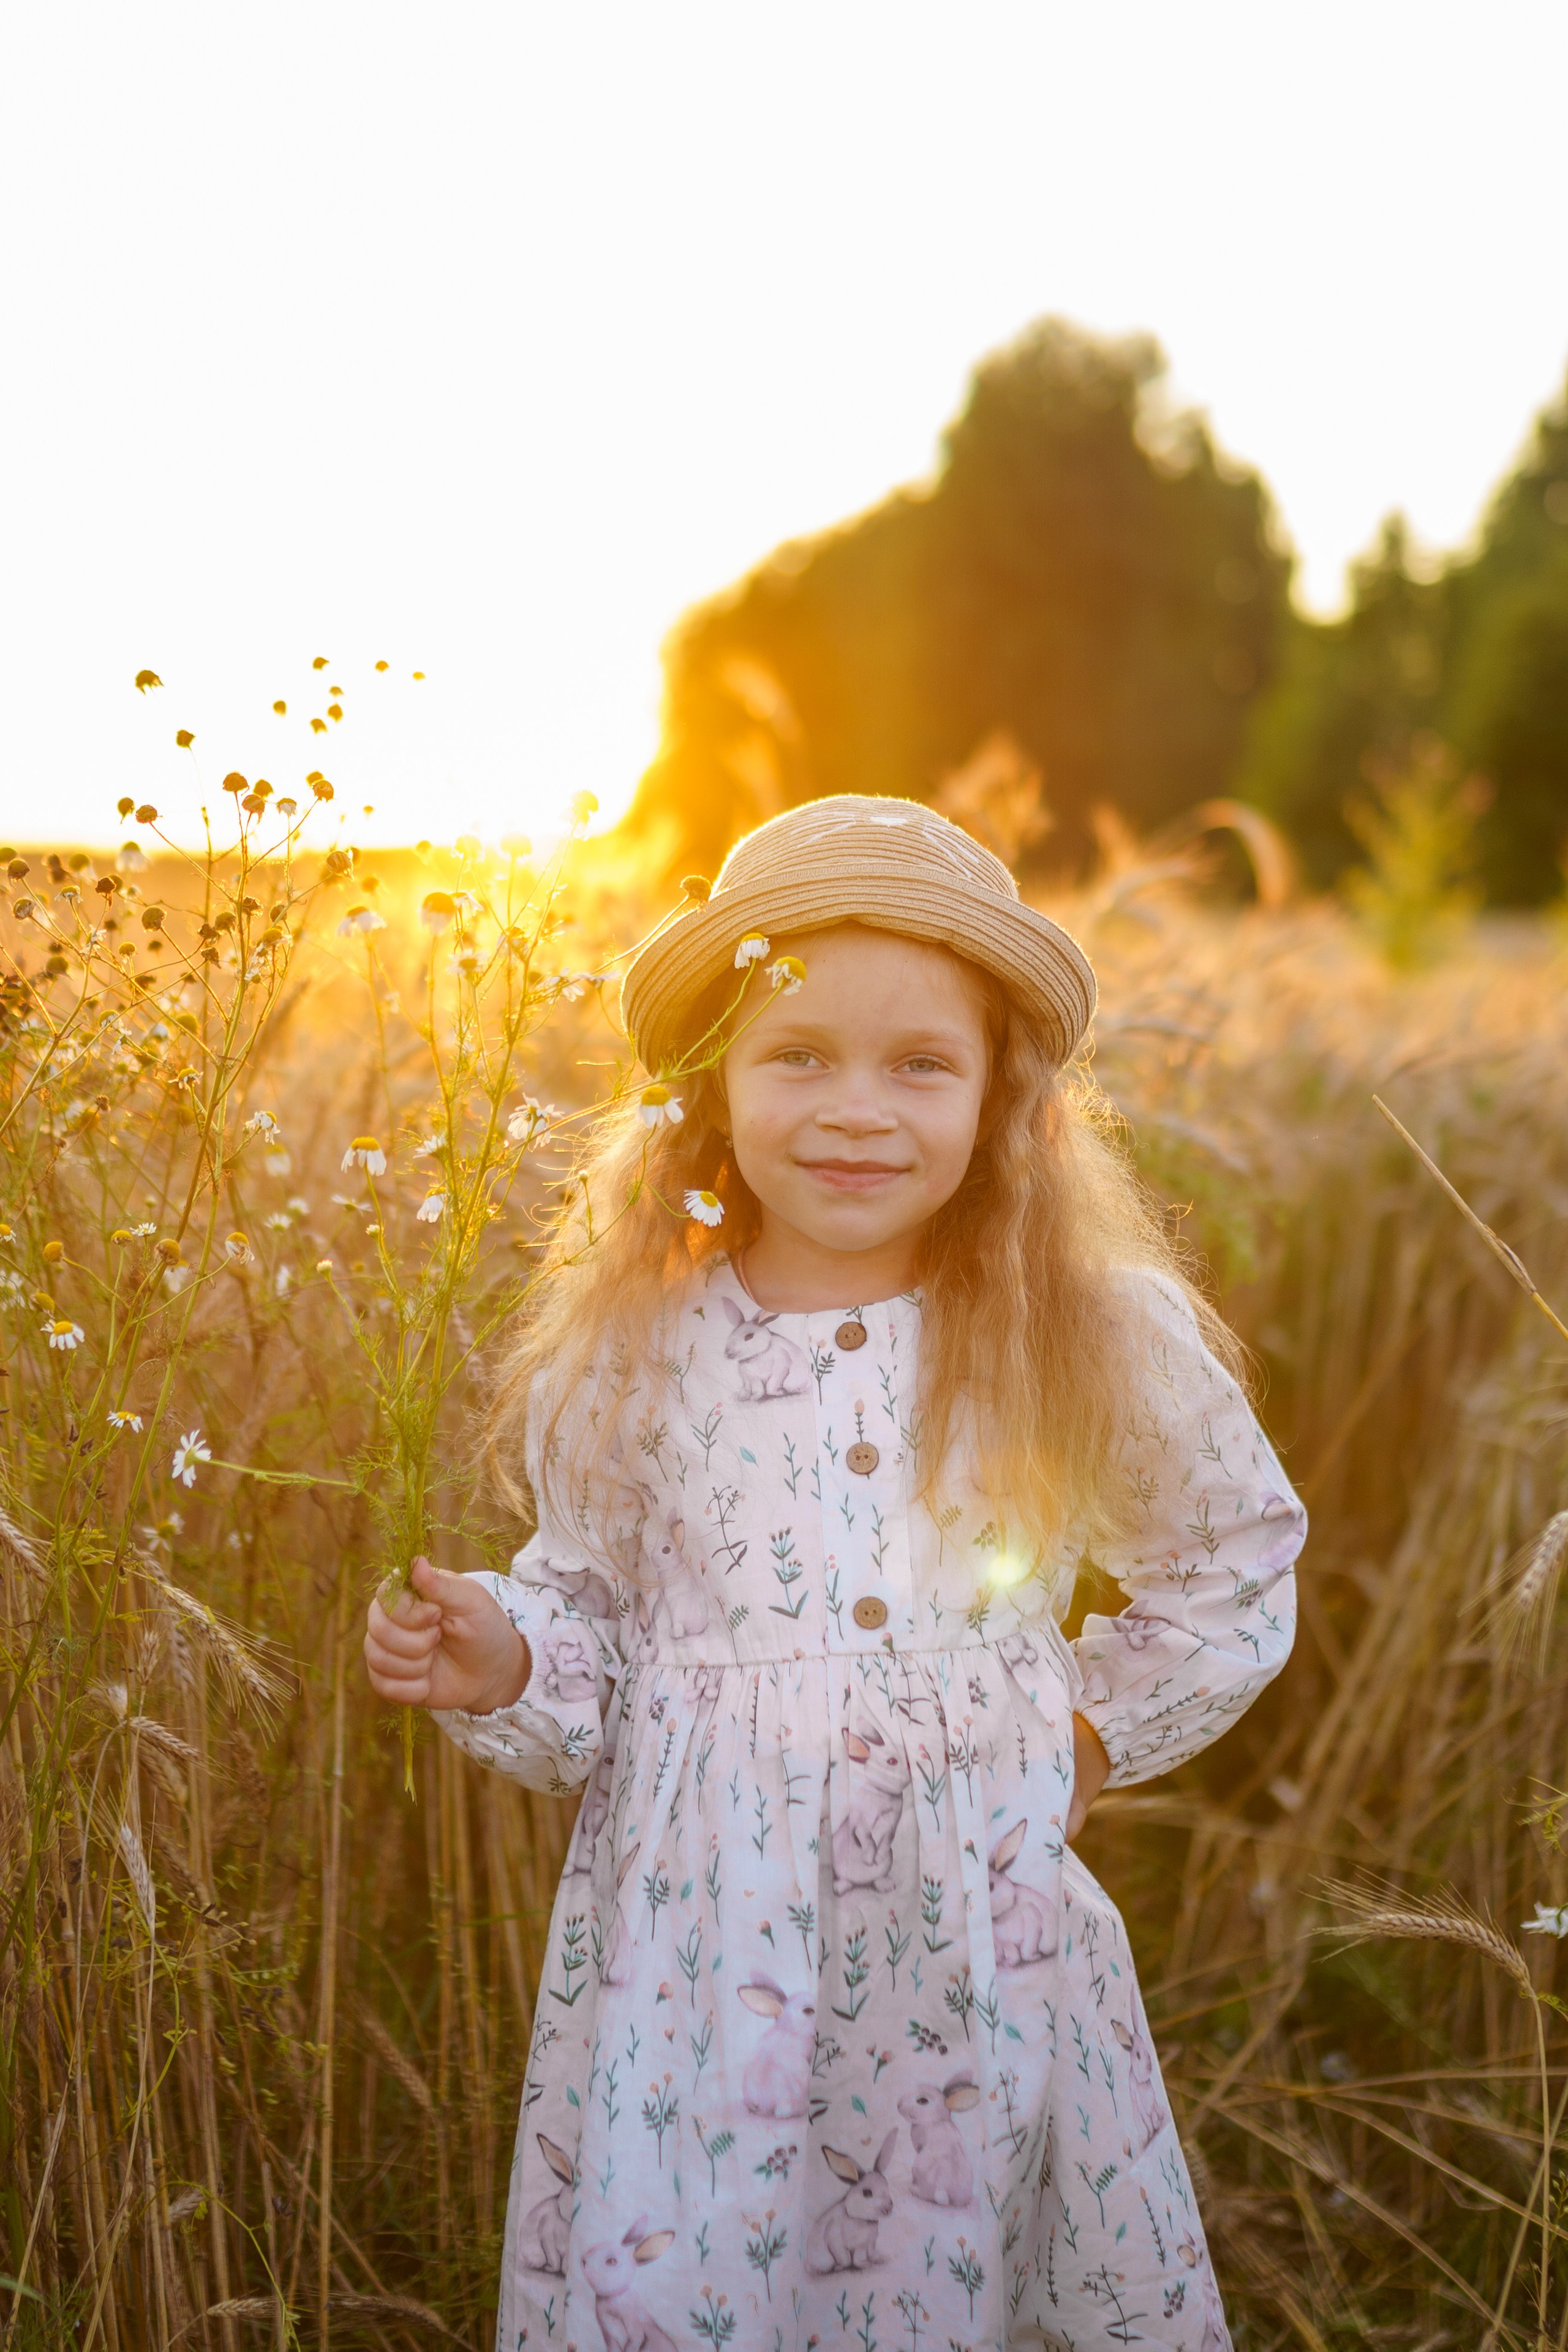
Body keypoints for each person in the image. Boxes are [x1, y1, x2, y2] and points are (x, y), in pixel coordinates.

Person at [363, 796, 1304, 2351]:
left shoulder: (1082, 1329)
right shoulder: (633, 1351)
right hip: (699, 1953)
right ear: (711, 1091)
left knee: (945, 2273)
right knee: (704, 2270)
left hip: (968, 1936)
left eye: (919, 1063)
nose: (855, 1107)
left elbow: (1230, 1560)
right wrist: (507, 1658)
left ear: (1000, 1096)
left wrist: (1083, 1734)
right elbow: (592, 1612)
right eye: (797, 1055)